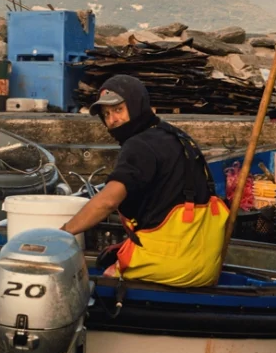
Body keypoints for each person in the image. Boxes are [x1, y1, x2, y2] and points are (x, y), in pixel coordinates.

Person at [60, 75, 228, 287]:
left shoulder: (139, 146)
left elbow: (108, 202)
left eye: (119, 110)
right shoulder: (179, 137)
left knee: (94, 282)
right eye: (107, 114)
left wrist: (63, 234)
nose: (112, 120)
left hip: (170, 269)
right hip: (205, 268)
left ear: (136, 104)